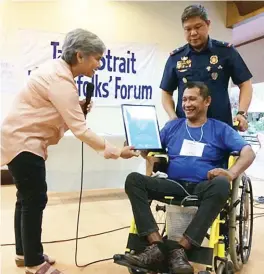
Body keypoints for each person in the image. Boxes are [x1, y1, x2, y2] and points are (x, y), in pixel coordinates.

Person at [0, 28, 139, 274]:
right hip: (23, 142)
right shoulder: (61, 81)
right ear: (79, 56)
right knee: (34, 199)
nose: (99, 64)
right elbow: (81, 131)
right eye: (96, 58)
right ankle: (33, 263)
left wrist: (77, 107)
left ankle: (25, 253)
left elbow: (56, 115)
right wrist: (117, 151)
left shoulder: (58, 72)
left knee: (26, 198)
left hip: (20, 140)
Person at [123, 82, 255, 274]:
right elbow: (150, 149)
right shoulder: (173, 127)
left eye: (192, 99)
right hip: (173, 184)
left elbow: (249, 153)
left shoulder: (220, 129)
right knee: (133, 180)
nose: (186, 104)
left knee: (221, 184)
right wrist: (137, 144)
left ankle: (181, 249)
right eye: (184, 99)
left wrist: (231, 173)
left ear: (207, 101)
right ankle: (157, 247)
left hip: (204, 186)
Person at [160, 4, 253, 132]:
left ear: (208, 24)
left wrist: (242, 113)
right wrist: (172, 116)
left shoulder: (226, 52)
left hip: (220, 128)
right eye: (188, 29)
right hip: (185, 129)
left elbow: (245, 83)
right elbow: (166, 92)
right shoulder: (176, 57)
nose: (193, 33)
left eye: (198, 27)